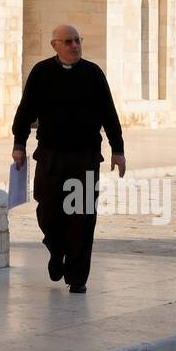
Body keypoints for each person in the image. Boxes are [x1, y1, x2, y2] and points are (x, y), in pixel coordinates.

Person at [10, 24, 126, 293]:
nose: (75, 46)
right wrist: (18, 143)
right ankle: (55, 248)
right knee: (48, 211)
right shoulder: (41, 73)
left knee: (82, 218)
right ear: (55, 45)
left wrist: (117, 150)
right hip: (51, 157)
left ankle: (77, 278)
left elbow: (109, 114)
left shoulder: (93, 74)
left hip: (84, 159)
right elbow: (25, 111)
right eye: (68, 41)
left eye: (77, 40)